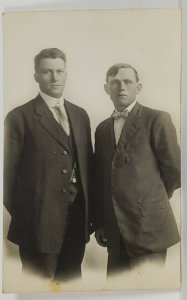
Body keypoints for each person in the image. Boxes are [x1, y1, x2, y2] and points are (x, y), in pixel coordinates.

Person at [4, 48, 93, 282]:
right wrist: (32, 216)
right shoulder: (19, 117)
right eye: (47, 72)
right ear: (36, 76)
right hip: (37, 227)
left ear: (66, 74)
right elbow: (6, 180)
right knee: (39, 289)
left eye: (59, 71)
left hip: (76, 223)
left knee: (72, 285)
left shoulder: (80, 115)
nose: (54, 77)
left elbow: (88, 170)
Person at [94, 63, 180, 276]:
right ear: (106, 88)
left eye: (127, 82)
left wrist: (149, 200)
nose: (121, 87)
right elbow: (101, 180)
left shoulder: (157, 119)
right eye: (115, 83)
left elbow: (176, 171)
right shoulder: (102, 129)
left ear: (138, 88)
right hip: (115, 232)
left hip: (149, 230)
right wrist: (102, 223)